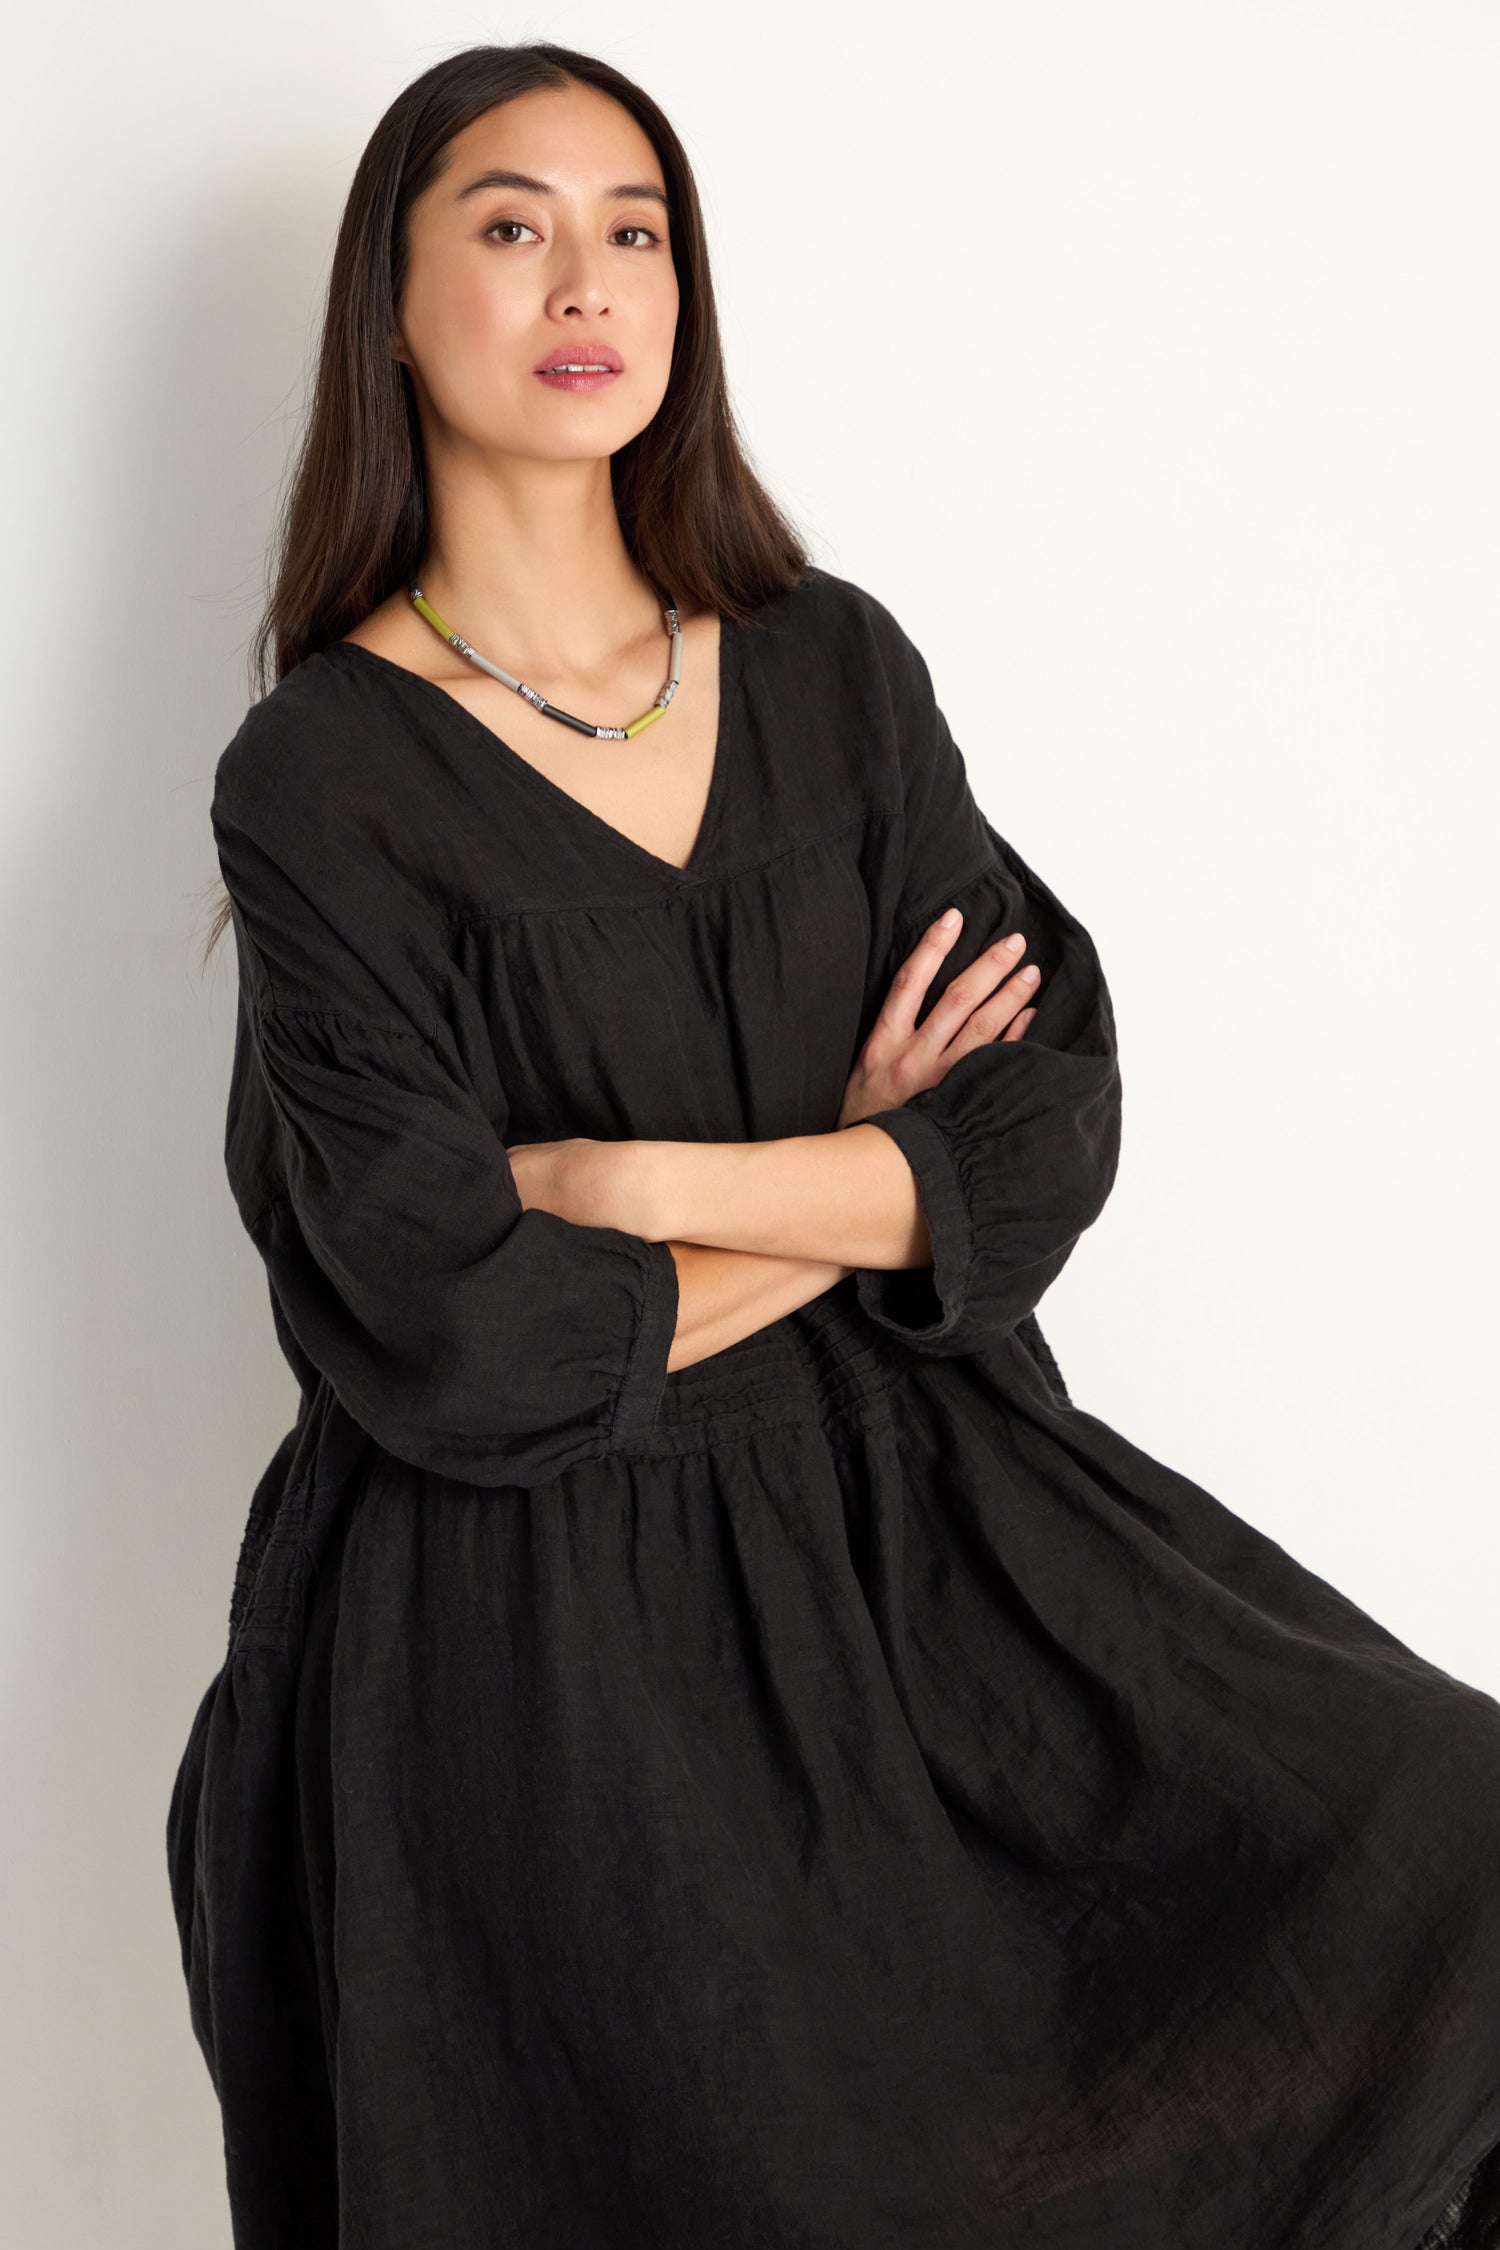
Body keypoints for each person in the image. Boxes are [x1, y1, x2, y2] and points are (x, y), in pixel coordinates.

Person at [165, 40, 1500, 2250]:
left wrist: (648, 1180)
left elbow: (1046, 1122)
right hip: (549, 1621)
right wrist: (870, 1176)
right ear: (389, 307)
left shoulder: (833, 676)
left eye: (637, 231)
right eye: (508, 225)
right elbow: (458, 1334)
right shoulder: (322, 775)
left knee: (1443, 1847)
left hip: (945, 1542)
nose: (584, 277)